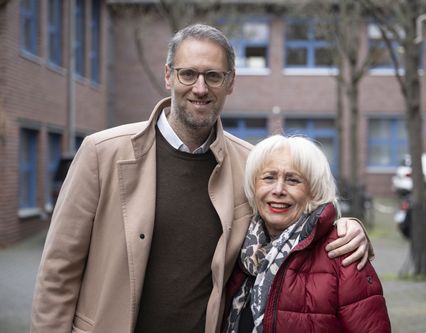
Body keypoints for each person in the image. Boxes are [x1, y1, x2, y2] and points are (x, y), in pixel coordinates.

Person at [31, 24, 372, 333]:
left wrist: (348, 227)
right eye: (187, 74)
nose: (199, 88)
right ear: (168, 75)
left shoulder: (249, 164)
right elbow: (59, 270)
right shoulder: (101, 153)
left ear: (231, 82)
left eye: (213, 76)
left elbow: (291, 221)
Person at [223, 135, 390, 333]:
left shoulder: (344, 250)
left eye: (293, 180)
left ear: (314, 191)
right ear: (253, 185)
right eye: (269, 178)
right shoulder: (236, 246)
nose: (278, 190)